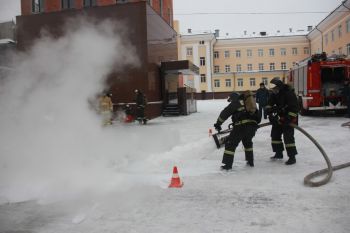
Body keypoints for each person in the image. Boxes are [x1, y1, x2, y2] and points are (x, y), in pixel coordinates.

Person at [213, 92, 261, 170]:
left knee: (230, 144)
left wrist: (218, 124)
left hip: (241, 127)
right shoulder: (249, 102)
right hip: (252, 128)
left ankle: (227, 165)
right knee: (248, 143)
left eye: (231, 100)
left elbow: (225, 113)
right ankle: (250, 161)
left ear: (233, 98)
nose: (231, 101)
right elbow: (258, 117)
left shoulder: (236, 102)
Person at [265, 78, 299, 165]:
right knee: (275, 135)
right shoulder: (274, 94)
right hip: (280, 117)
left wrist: (287, 118)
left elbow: (295, 108)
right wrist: (270, 114)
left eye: (275, 89)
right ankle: (278, 153)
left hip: (290, 118)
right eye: (273, 90)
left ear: (279, 87)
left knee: (288, 138)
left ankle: (292, 157)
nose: (274, 91)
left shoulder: (289, 93)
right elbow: (269, 104)